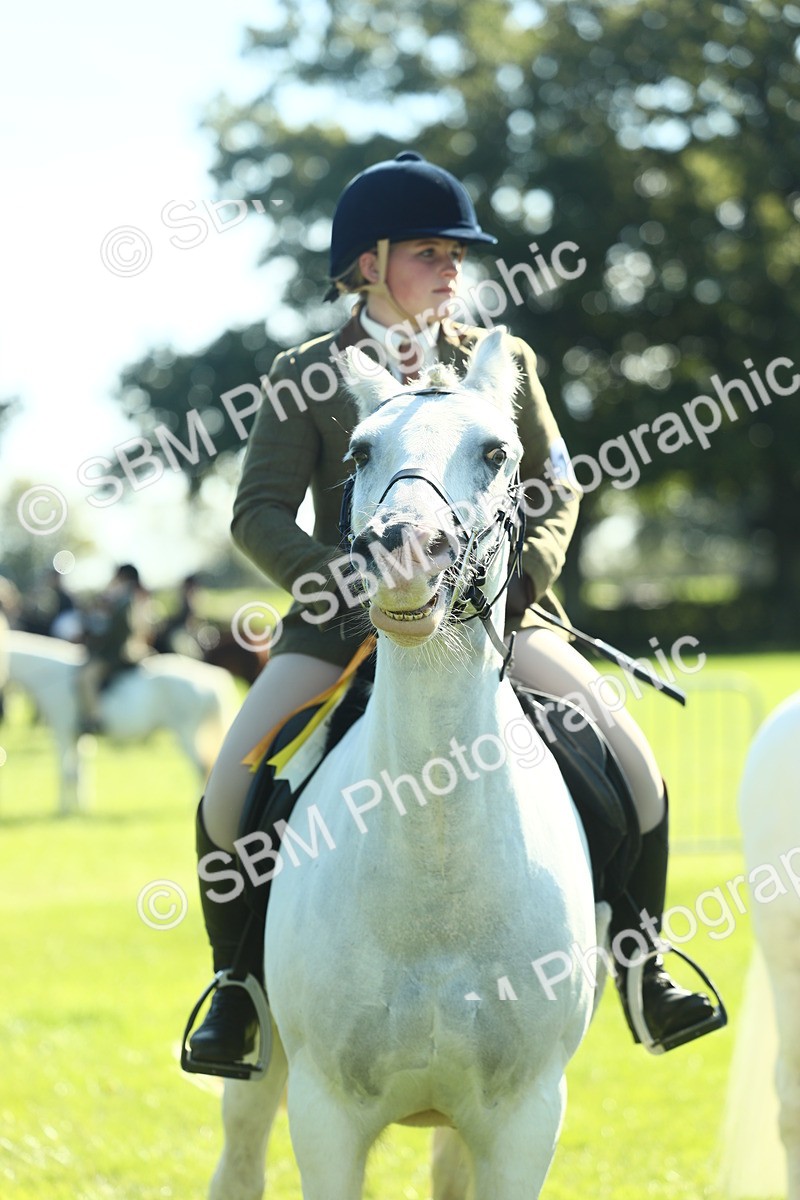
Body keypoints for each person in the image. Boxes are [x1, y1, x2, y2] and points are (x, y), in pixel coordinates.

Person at [186, 151, 720, 1070]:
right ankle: (235, 989)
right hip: (347, 626)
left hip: (499, 619)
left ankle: (643, 963)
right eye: (429, 250)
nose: (452, 268)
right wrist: (353, 580)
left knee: (635, 764)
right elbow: (259, 513)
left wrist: (515, 588)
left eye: (456, 253)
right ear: (368, 263)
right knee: (233, 786)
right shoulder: (308, 372)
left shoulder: (499, 362)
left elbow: (556, 489)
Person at [76, 563, 151, 734]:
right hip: (119, 649)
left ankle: (95, 720)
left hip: (115, 653)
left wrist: (97, 637)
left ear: (122, 577)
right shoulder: (128, 598)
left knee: (85, 679)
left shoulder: (125, 599)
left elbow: (119, 630)